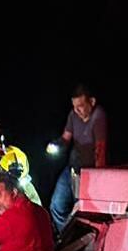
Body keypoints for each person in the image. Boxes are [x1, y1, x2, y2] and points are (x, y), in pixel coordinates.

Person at [47, 83, 109, 233]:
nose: (77, 110)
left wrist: (97, 178)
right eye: (75, 106)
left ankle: (80, 238)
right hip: (72, 168)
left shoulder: (98, 116)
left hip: (88, 172)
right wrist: (56, 145)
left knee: (80, 210)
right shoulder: (73, 115)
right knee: (56, 205)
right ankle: (66, 236)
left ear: (92, 102)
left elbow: (100, 149)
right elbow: (66, 138)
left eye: (81, 105)